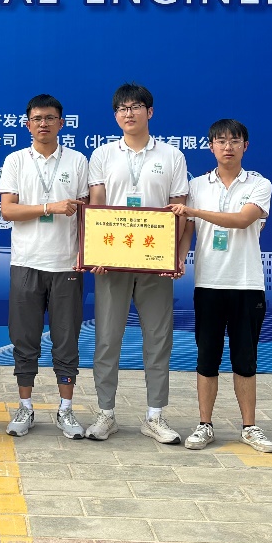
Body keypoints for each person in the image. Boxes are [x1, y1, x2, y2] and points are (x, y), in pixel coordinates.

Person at [85, 83, 188, 444]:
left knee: (158, 339)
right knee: (107, 339)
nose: (128, 113)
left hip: (155, 262)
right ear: (115, 115)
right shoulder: (103, 154)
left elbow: (180, 209)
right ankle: (105, 413)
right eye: (121, 108)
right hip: (112, 262)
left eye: (135, 107)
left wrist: (176, 256)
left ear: (150, 111)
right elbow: (96, 205)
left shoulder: (172, 156)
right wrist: (95, 252)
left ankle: (155, 416)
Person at [169, 119, 272, 453]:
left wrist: (194, 211)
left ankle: (249, 427)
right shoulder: (196, 185)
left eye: (234, 140)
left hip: (247, 284)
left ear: (245, 146)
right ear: (210, 146)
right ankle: (205, 425)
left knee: (245, 360)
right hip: (208, 283)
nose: (227, 147)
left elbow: (243, 220)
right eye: (220, 141)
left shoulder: (259, 184)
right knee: (207, 358)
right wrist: (178, 258)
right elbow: (187, 229)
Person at [0, 94, 89, 439]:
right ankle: (25, 406)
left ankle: (66, 410)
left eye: (50, 118)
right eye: (37, 119)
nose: (43, 124)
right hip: (26, 262)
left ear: (61, 123)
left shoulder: (77, 161)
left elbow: (86, 211)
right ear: (28, 124)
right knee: (24, 339)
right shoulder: (16, 160)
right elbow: (8, 210)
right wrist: (50, 207)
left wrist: (87, 255)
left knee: (66, 341)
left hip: (67, 264)